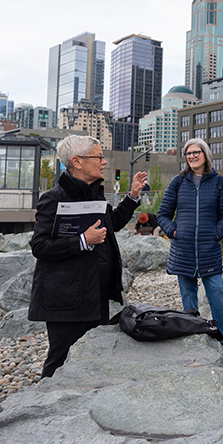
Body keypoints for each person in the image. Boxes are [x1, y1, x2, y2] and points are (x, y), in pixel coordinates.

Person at [28, 135, 147, 378]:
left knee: (92, 358)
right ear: (77, 162)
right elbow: (40, 246)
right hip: (66, 298)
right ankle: (45, 408)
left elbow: (111, 223)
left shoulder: (94, 194)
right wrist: (83, 240)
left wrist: (132, 197)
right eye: (99, 157)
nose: (104, 162)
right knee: (60, 360)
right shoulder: (54, 198)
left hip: (95, 292)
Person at [157, 138, 223, 358]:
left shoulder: (218, 183)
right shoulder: (178, 182)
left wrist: (217, 234)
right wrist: (174, 232)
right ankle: (194, 335)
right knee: (188, 294)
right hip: (183, 249)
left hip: (208, 248)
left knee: (216, 291)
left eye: (196, 152)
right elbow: (163, 214)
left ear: (205, 154)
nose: (192, 156)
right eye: (188, 153)